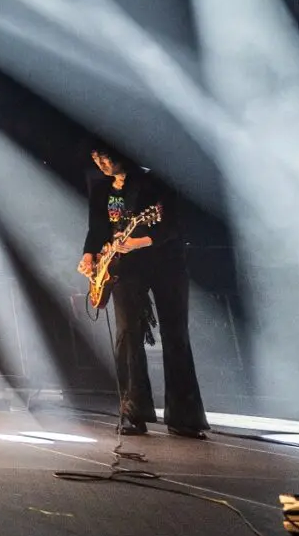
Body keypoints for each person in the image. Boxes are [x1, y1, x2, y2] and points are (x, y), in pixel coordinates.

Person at [78, 141, 208, 439]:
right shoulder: (101, 189)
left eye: (106, 157)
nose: (101, 164)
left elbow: (174, 224)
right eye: (96, 158)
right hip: (124, 268)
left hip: (166, 263)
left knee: (176, 335)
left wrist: (140, 241)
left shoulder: (155, 181)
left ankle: (184, 417)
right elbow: (97, 229)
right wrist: (89, 256)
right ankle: (132, 413)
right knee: (127, 335)